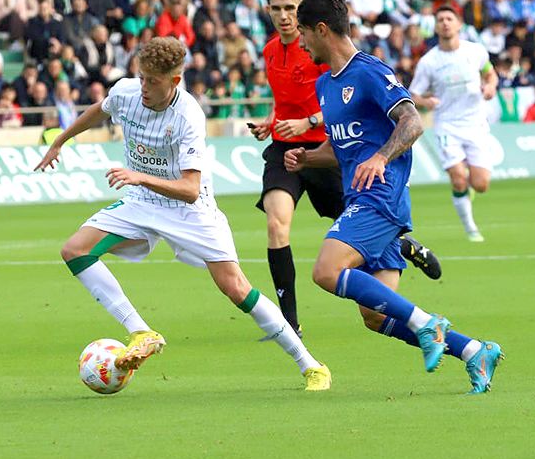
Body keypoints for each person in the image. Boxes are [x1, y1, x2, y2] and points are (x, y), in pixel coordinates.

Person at [34, 36, 331, 391]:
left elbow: (190, 189)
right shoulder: (128, 91)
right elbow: (102, 108)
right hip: (142, 201)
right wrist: (60, 140)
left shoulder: (188, 115)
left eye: (153, 81)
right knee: (75, 250)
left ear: (174, 81)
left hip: (191, 210)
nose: (144, 87)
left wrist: (138, 175)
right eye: (141, 77)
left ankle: (311, 365)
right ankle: (141, 331)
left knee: (235, 288)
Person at [284, 0, 503, 394]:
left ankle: (428, 325)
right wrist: (307, 159)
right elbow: (341, 146)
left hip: (380, 197)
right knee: (374, 314)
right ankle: (474, 351)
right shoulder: (325, 84)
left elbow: (412, 122)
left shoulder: (369, 72)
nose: (299, 43)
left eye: (302, 33)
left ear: (320, 29)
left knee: (325, 272)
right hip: (359, 196)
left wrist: (382, 157)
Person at [250, 0, 440, 334]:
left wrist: (312, 124)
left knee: (333, 270)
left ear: (313, 24)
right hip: (300, 149)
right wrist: (274, 121)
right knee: (278, 224)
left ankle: (409, 269)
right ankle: (288, 321)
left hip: (347, 160)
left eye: (290, 9)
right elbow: (286, 100)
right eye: (276, 9)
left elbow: (375, 113)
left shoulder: (337, 62)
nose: (284, 17)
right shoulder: (273, 51)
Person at [408, 7, 502, 242]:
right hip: (447, 125)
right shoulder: (429, 62)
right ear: (436, 27)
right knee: (458, 177)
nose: (445, 23)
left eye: (449, 19)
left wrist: (490, 87)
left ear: (459, 24)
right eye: (440, 20)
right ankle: (471, 228)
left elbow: (490, 74)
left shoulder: (475, 51)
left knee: (480, 185)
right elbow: (413, 94)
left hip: (476, 123)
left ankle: (469, 190)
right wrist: (425, 101)